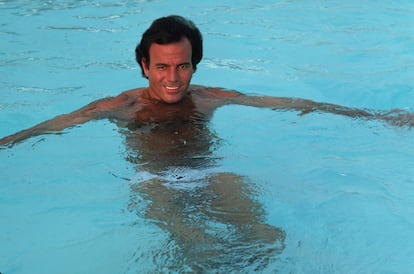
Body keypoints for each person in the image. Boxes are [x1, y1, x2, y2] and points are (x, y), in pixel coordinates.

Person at [0, 15, 412, 271]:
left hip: (209, 172)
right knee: (198, 249)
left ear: (195, 64)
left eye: (183, 66)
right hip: (153, 179)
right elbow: (52, 126)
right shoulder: (120, 106)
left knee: (267, 236)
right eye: (161, 67)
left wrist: (376, 117)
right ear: (144, 65)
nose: (173, 78)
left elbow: (291, 103)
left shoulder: (210, 97)